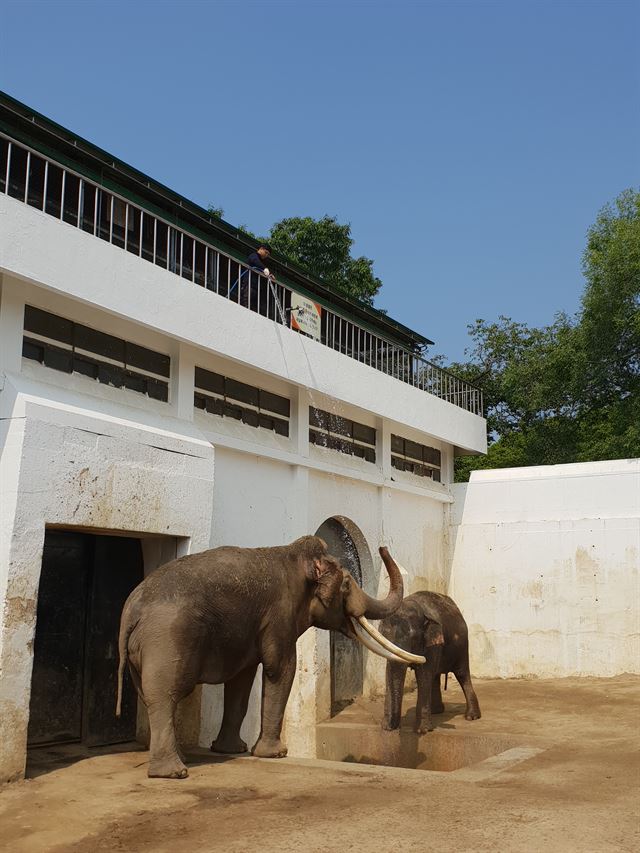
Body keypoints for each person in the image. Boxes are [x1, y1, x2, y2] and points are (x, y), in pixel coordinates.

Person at [239, 243, 274, 312]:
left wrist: (270, 274)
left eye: (268, 254)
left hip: (256, 288)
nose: (266, 255)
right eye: (266, 252)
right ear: (261, 249)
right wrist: (264, 269)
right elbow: (255, 260)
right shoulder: (254, 256)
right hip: (248, 285)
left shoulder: (262, 261)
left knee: (252, 305)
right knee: (246, 303)